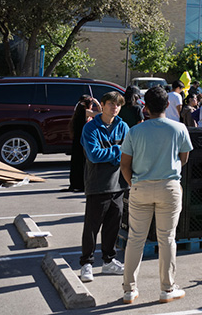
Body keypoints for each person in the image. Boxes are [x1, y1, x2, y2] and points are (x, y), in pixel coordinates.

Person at [120, 86, 193, 304]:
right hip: (168, 186)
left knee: (135, 239)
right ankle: (167, 288)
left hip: (140, 186)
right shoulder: (179, 128)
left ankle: (129, 289)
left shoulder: (134, 131)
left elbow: (125, 165)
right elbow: (184, 158)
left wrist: (134, 182)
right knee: (167, 238)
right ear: (168, 104)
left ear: (145, 106)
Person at [78, 91, 130, 283]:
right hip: (98, 185)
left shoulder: (123, 126)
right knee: (92, 227)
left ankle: (109, 261)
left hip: (119, 184)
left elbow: (130, 152)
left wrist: (114, 154)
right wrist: (118, 151)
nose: (114, 108)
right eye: (111, 104)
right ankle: (86, 263)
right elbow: (94, 155)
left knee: (112, 226)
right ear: (102, 104)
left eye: (118, 105)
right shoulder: (91, 128)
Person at [68, 95, 100, 193]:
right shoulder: (85, 112)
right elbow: (101, 114)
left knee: (76, 162)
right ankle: (81, 184)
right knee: (82, 163)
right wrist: (97, 103)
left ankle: (75, 184)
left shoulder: (78, 111)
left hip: (77, 141)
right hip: (83, 141)